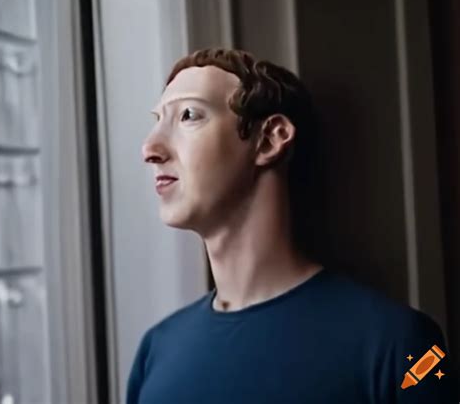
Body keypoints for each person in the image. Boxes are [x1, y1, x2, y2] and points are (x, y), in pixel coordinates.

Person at [127, 48, 457, 403]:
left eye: (188, 115)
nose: (150, 148)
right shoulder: (156, 351)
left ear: (270, 138)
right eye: (158, 120)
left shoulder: (404, 344)